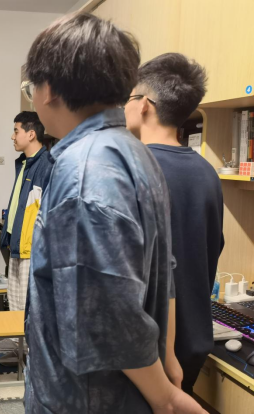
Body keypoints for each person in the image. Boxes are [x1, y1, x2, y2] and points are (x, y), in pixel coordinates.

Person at [24, 13, 207, 413]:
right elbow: (164, 266)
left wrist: (165, 397)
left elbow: (108, 315)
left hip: (86, 397)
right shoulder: (133, 151)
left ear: (48, 89)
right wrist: (167, 359)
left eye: (29, 88)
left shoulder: (84, 171)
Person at [125, 53, 225, 395]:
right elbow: (212, 248)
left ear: (144, 104)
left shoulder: (134, 170)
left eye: (129, 97)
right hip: (194, 341)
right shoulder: (208, 173)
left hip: (146, 353)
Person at [0, 112, 52, 311]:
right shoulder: (23, 163)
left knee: (28, 309)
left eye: (16, 131)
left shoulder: (47, 165)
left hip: (31, 250)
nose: (12, 136)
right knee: (15, 306)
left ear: (31, 134)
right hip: (17, 244)